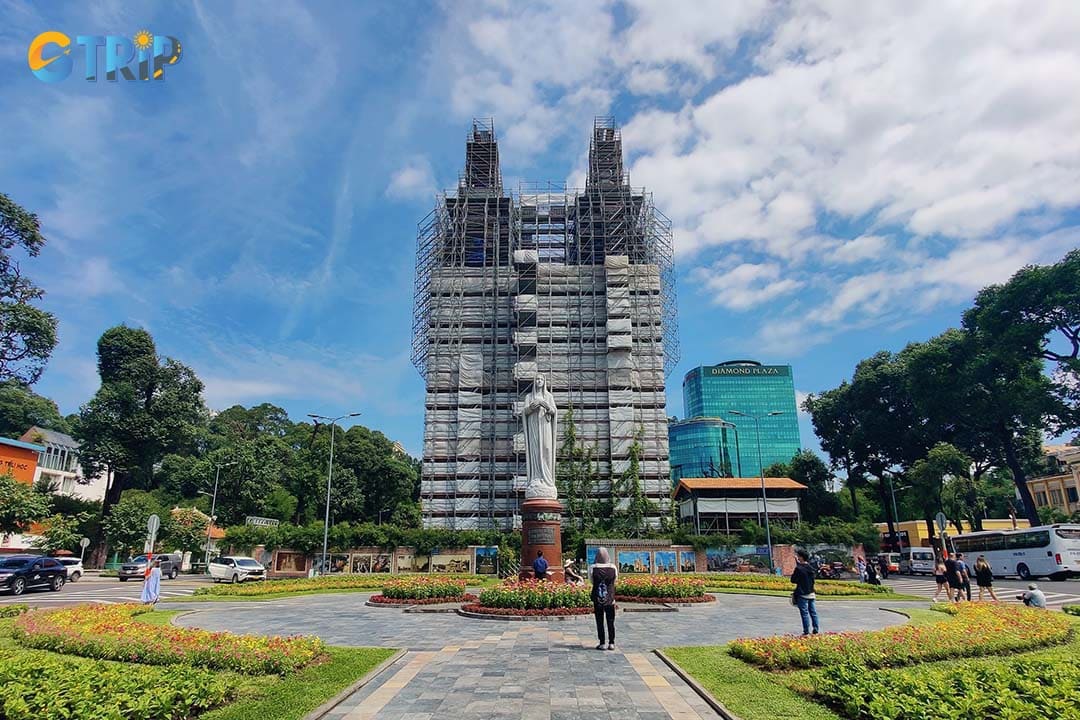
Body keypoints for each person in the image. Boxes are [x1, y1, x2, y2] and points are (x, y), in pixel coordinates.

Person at [590, 547, 618, 650]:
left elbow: (592, 582)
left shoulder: (593, 567)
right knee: (611, 621)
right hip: (610, 598)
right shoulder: (613, 567)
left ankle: (602, 643)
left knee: (599, 620)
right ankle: (611, 643)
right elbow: (615, 581)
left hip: (597, 598)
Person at [791, 548, 820, 636]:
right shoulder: (811, 568)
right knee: (813, 612)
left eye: (799, 556)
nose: (798, 558)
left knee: (804, 613)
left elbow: (793, 580)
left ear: (801, 557)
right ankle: (815, 628)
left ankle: (806, 630)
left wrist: (797, 565)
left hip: (802, 593)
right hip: (811, 592)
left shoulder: (799, 569)